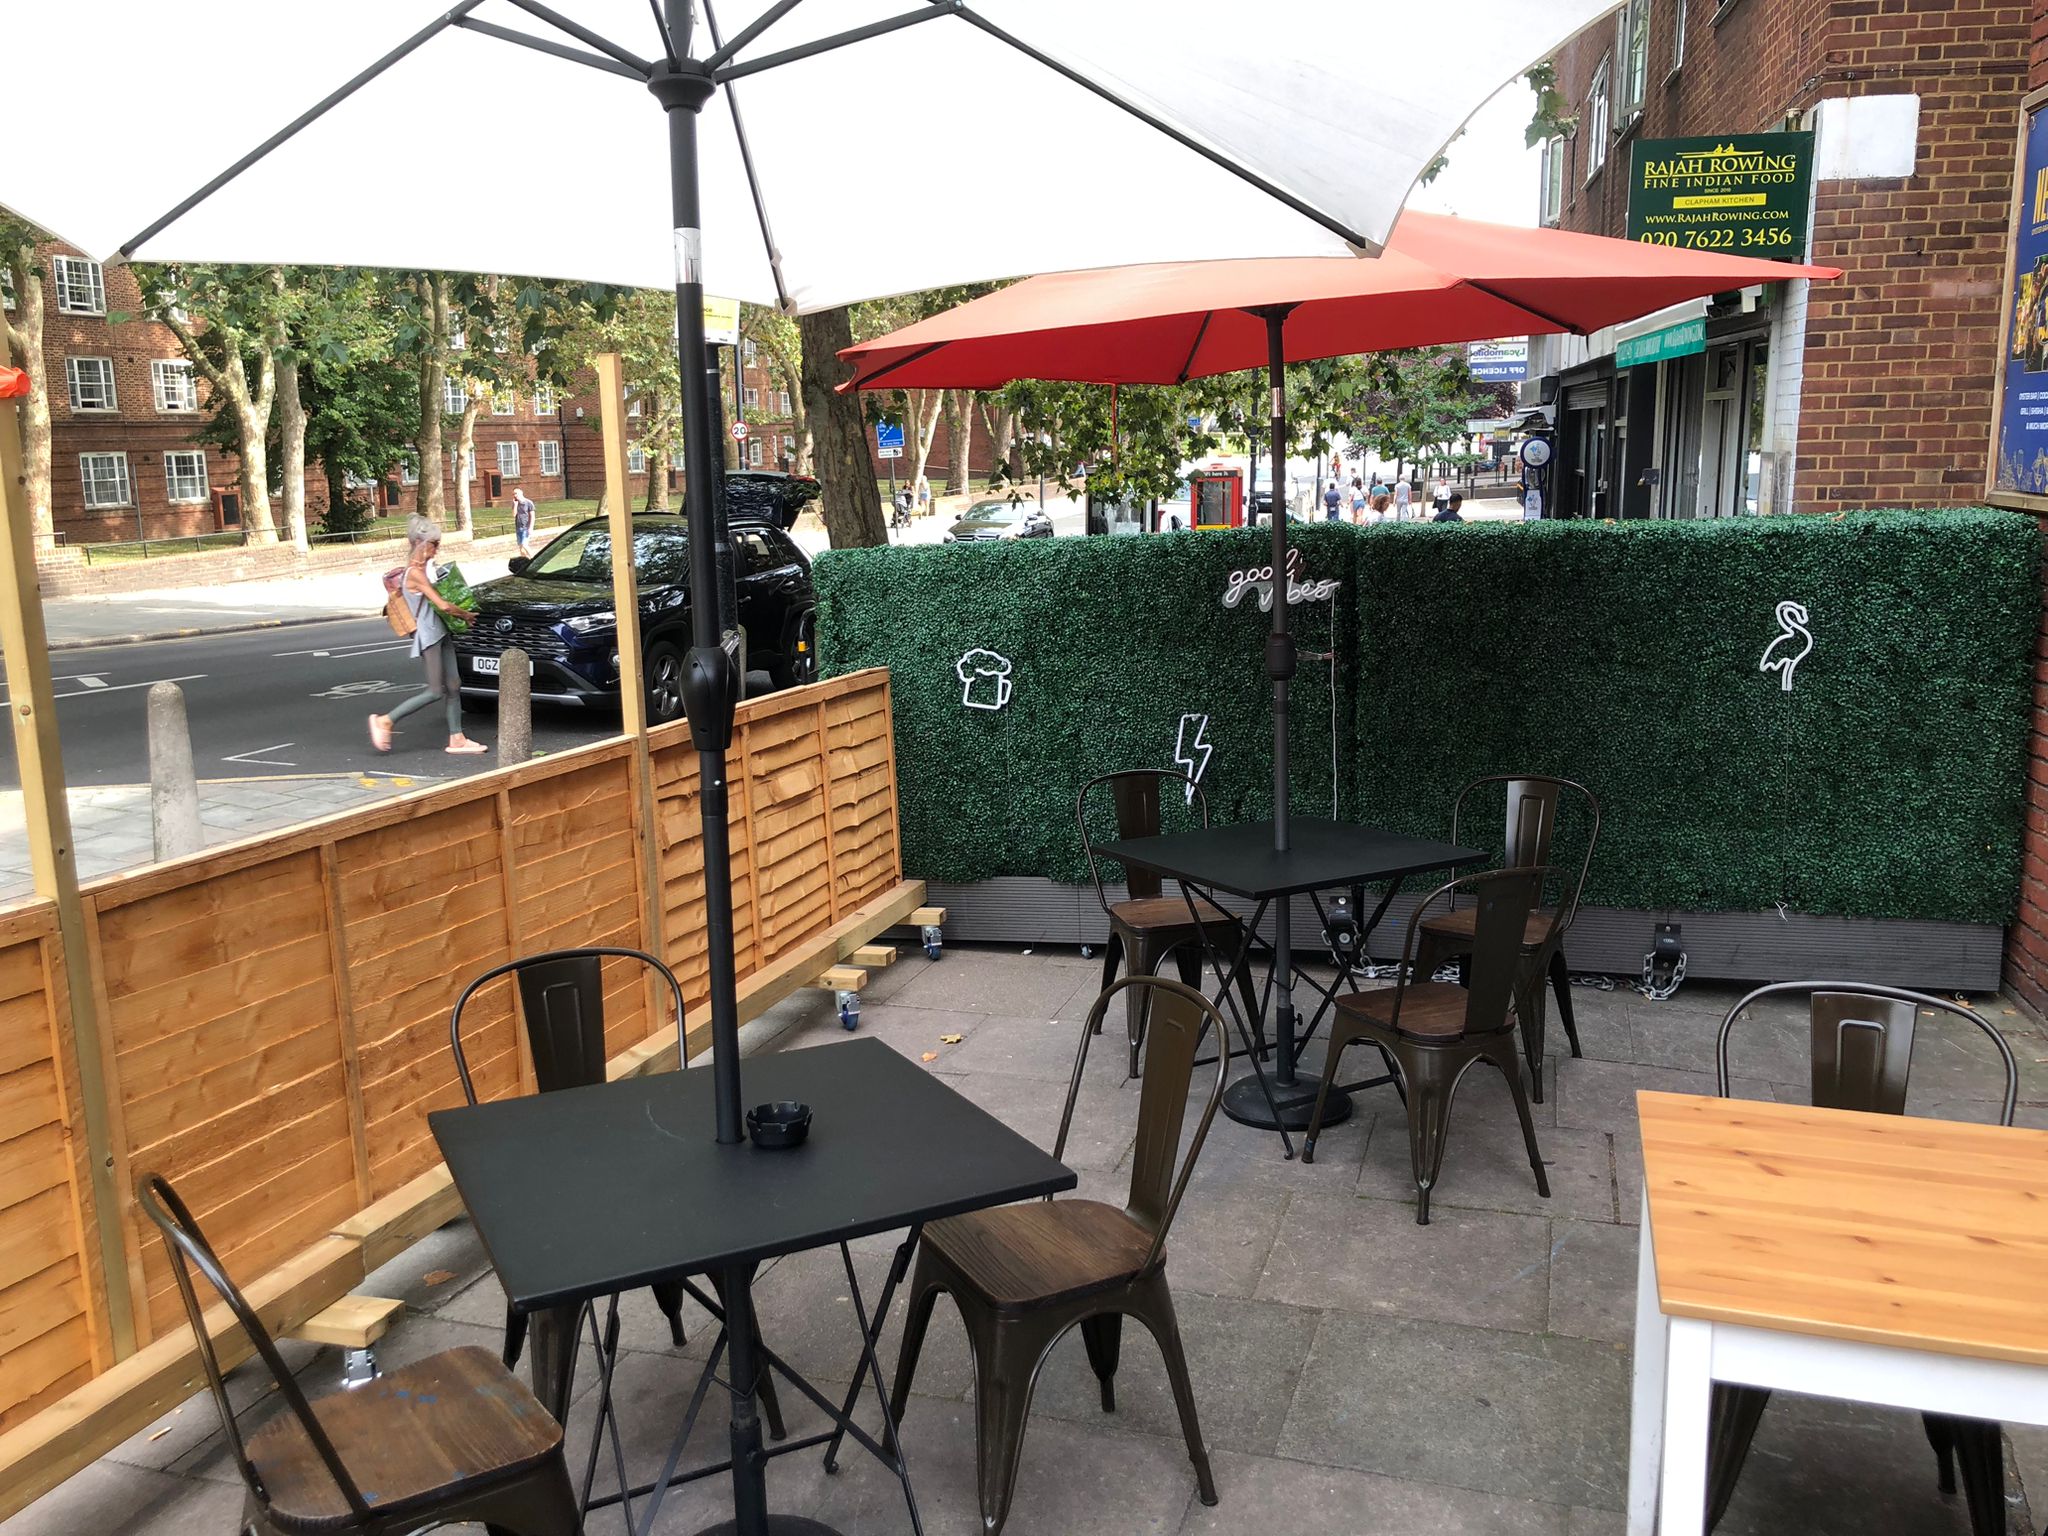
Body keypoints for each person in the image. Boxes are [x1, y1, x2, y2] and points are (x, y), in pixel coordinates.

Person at [368, 516, 486, 757]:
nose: (436, 550)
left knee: (454, 684)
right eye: (434, 544)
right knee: (435, 690)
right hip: (429, 636)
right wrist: (465, 615)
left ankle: (457, 739)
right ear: (420, 543)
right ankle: (385, 721)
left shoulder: (424, 570)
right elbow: (442, 605)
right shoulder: (414, 574)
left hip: (441, 632)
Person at [511, 484, 535, 558]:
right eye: (513, 494)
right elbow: (514, 515)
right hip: (518, 527)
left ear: (521, 492)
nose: (515, 495)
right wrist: (515, 505)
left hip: (526, 527)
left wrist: (530, 528)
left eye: (516, 493)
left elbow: (533, 516)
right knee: (521, 548)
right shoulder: (515, 503)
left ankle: (533, 558)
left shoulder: (528, 503)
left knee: (525, 544)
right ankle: (526, 561)